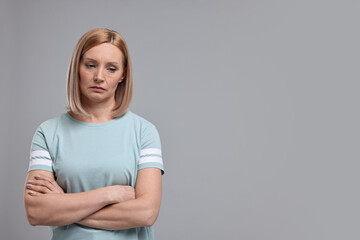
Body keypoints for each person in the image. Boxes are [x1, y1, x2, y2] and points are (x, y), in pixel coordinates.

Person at [23, 28, 164, 240]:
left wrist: (64, 204)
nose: (99, 77)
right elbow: (36, 212)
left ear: (123, 75)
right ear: (77, 68)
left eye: (111, 68)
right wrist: (110, 194)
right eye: (90, 65)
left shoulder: (144, 133)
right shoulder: (48, 133)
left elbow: (146, 213)